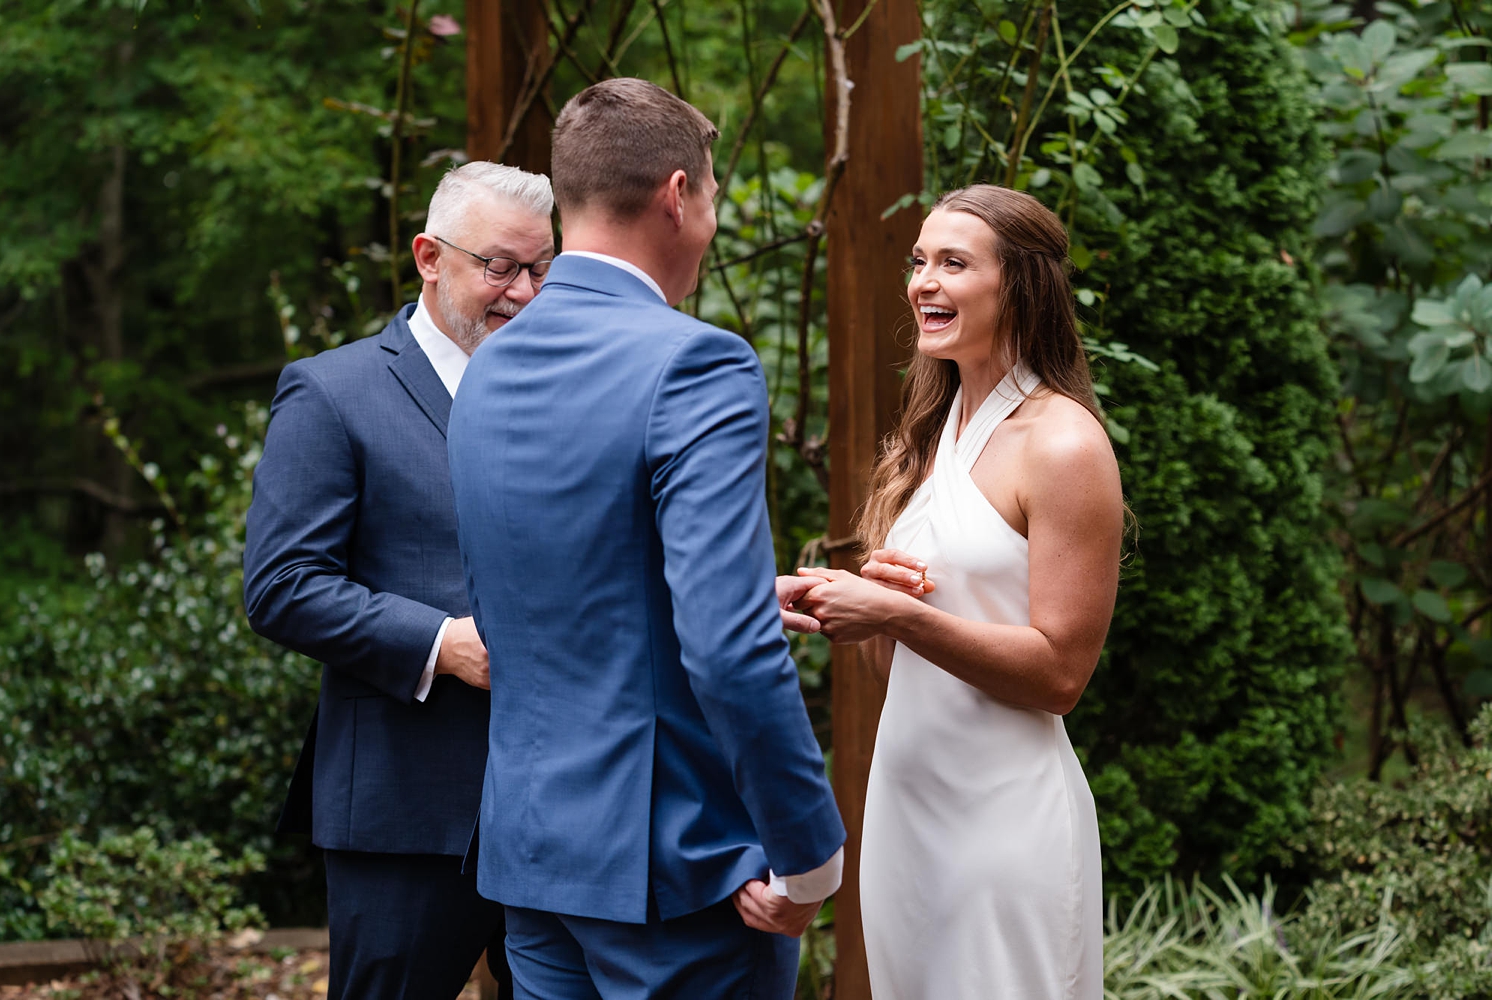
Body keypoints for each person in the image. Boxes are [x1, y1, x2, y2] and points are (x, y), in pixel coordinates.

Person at [446, 78, 846, 1000]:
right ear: (678, 194)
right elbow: (729, 652)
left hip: (535, 858)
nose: (707, 223)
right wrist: (807, 856)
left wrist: (730, 598)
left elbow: (538, 590)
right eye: (709, 197)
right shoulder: (695, 362)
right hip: (682, 873)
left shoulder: (488, 367)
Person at [793, 184, 1123, 999]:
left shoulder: (1063, 444)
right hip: (909, 813)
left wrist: (901, 611)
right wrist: (870, 608)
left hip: (1003, 826)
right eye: (918, 262)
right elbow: (893, 665)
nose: (922, 283)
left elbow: (1060, 676)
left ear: (1020, 286)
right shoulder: (932, 438)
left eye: (953, 263)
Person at [243, 161, 556, 1000]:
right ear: (428, 255)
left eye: (540, 268)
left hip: (557, 808)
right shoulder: (333, 391)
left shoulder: (563, 398)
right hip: (404, 812)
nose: (523, 292)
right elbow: (281, 583)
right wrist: (441, 644)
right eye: (499, 266)